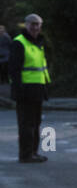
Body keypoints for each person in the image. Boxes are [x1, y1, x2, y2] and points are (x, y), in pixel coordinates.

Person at [10, 14, 50, 163]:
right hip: (25, 90)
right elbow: (14, 69)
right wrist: (19, 89)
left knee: (35, 123)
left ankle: (33, 152)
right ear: (26, 25)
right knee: (26, 124)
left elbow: (41, 68)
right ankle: (26, 155)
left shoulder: (38, 43)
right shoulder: (19, 43)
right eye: (33, 24)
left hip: (37, 90)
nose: (36, 27)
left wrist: (45, 87)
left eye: (38, 24)